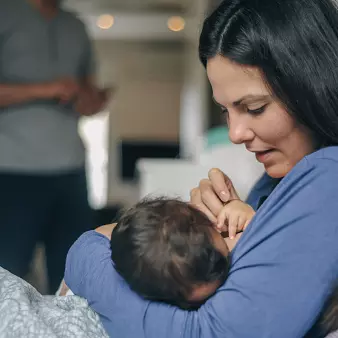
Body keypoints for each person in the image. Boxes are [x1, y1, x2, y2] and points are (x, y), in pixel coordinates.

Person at [64, 0, 338, 336]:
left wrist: (88, 249)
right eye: (225, 111)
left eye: (254, 107)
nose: (236, 134)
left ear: (312, 85)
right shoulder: (278, 179)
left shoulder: (329, 176)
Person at [0, 0, 108, 293]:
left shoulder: (76, 25)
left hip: (70, 168)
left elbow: (86, 95)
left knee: (74, 273)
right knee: (7, 275)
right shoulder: (5, 13)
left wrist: (93, 99)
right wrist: (46, 89)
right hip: (11, 170)